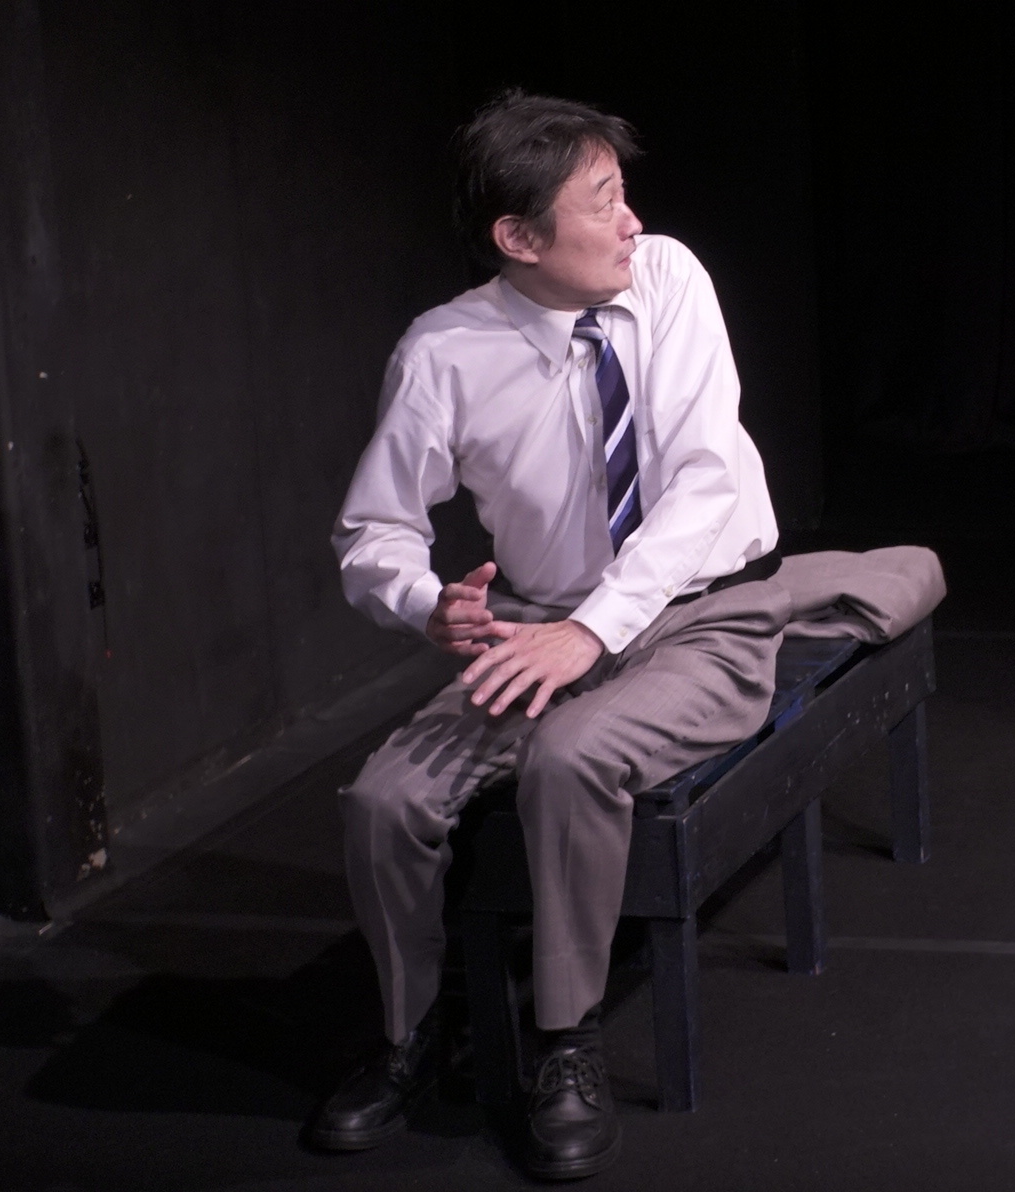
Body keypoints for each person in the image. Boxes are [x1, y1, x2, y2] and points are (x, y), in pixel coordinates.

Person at [307, 92, 938, 1179]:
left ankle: (567, 1036)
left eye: (623, 192)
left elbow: (700, 481)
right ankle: (412, 1032)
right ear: (519, 238)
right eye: (602, 202)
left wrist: (594, 634)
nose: (631, 219)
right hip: (539, 619)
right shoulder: (445, 350)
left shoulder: (668, 278)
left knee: (571, 756)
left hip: (707, 610)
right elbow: (373, 528)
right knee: (385, 800)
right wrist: (425, 602)